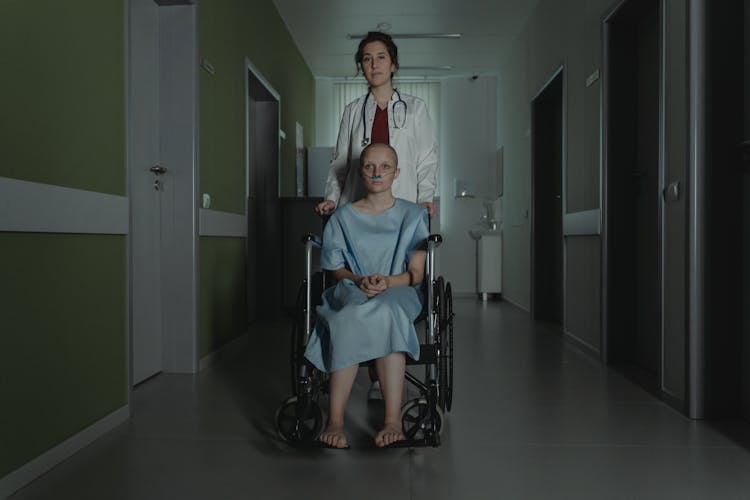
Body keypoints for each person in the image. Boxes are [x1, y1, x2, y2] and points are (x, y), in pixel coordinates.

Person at [304, 143, 429, 448]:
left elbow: (416, 274)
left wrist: (387, 282)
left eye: (385, 166)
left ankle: (392, 421)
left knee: (388, 312)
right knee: (346, 316)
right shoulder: (344, 217)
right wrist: (360, 280)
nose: (377, 173)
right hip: (352, 286)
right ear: (360, 172)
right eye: (370, 166)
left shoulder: (413, 215)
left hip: (399, 288)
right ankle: (335, 420)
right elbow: (335, 270)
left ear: (397, 172)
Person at [315, 31, 438, 218]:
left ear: (393, 64)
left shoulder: (416, 108)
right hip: (357, 207)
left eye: (381, 57)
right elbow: (340, 162)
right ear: (361, 67)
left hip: (402, 205)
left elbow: (426, 160)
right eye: (367, 59)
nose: (374, 64)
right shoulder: (352, 111)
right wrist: (332, 198)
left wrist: (425, 198)